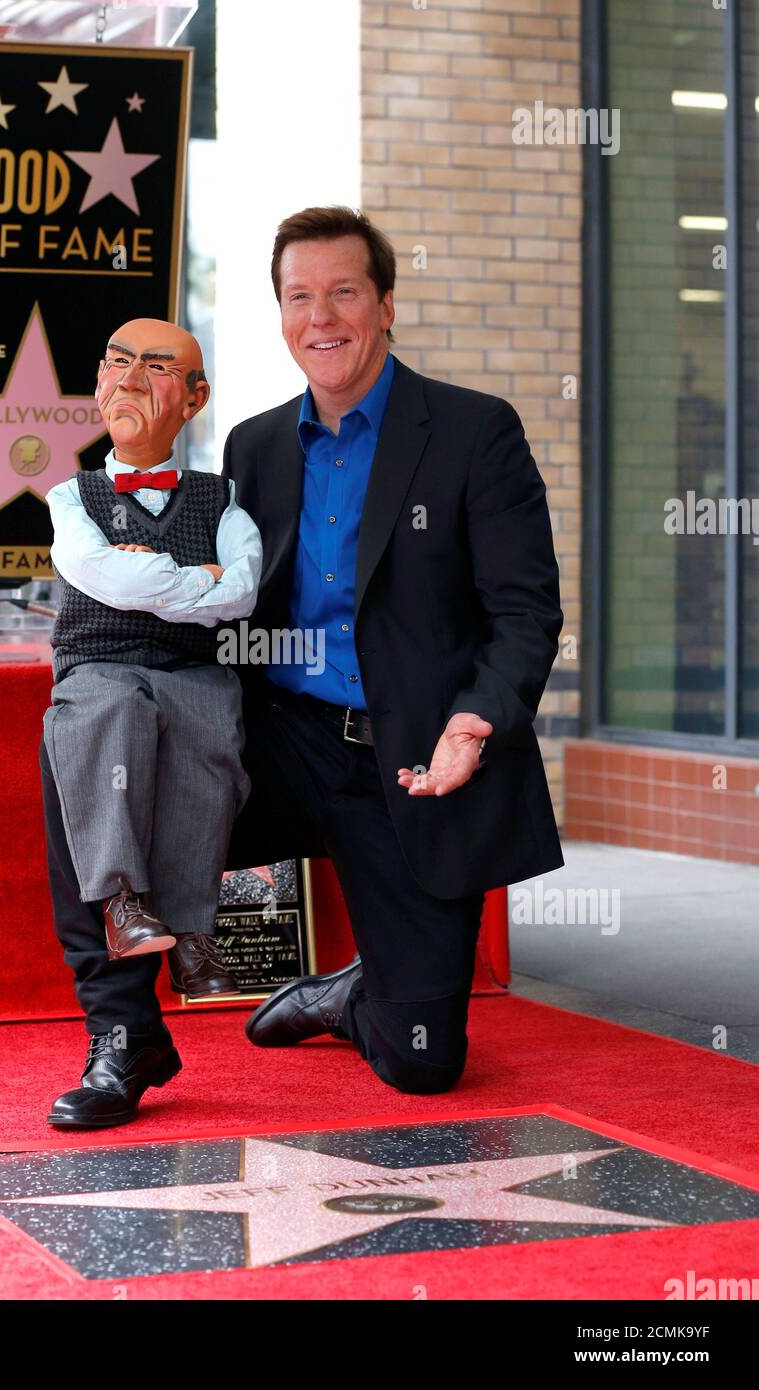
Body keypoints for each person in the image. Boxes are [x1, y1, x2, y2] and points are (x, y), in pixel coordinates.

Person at [220, 205, 564, 1095]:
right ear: (281, 314)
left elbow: (525, 613)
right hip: (283, 743)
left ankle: (353, 993)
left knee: (422, 1063)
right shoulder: (253, 445)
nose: (321, 318)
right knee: (110, 761)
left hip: (410, 753)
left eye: (343, 291)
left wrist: (472, 723)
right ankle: (123, 1037)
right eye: (300, 297)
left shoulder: (472, 431)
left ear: (385, 307)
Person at [41, 318, 262, 1128]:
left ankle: (194, 935)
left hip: (192, 671)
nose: (131, 377)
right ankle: (121, 912)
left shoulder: (221, 498)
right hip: (100, 669)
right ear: (98, 383)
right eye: (117, 361)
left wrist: (152, 574)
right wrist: (183, 576)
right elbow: (102, 575)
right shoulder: (73, 497)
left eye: (158, 367)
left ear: (196, 397)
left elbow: (239, 591)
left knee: (208, 735)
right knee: (105, 722)